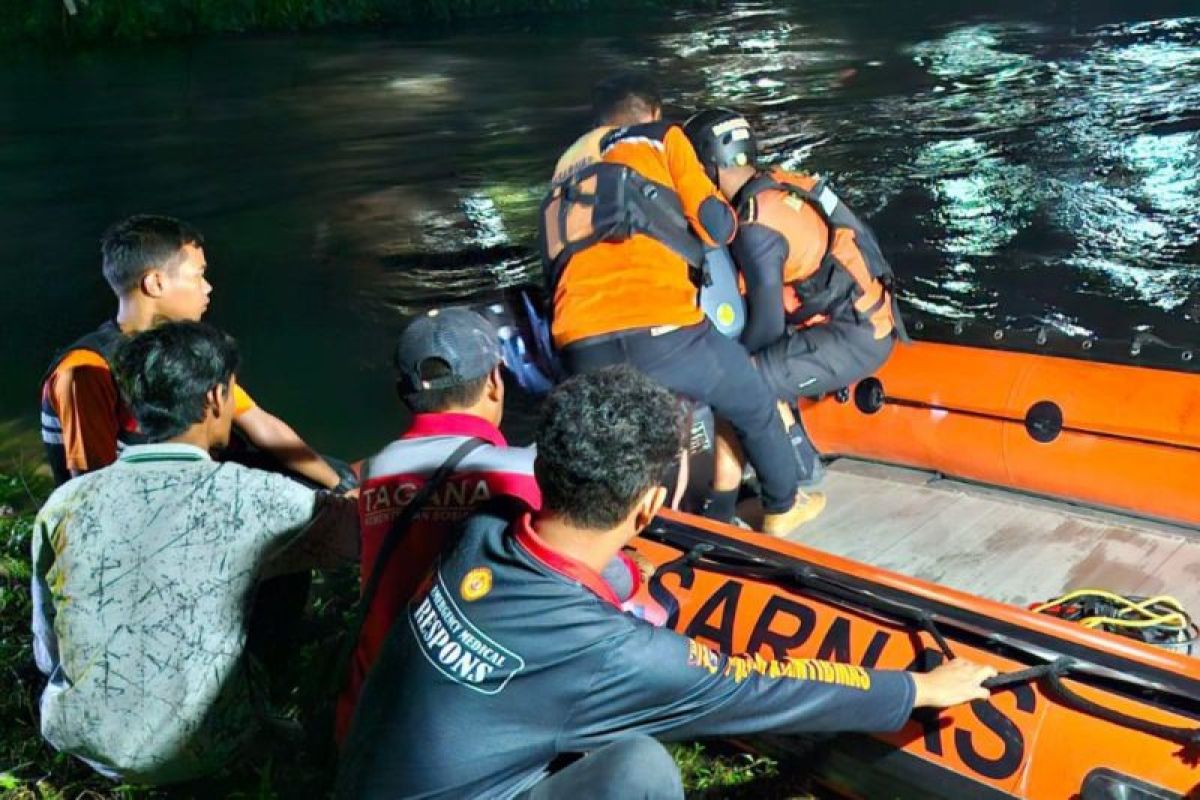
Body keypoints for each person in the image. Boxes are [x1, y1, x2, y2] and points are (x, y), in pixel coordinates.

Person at [336, 365, 997, 799]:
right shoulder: (611, 653)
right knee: (641, 770)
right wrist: (915, 687)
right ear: (649, 507)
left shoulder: (479, 535)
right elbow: (761, 686)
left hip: (364, 777)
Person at [31, 322, 359, 785]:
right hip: (203, 745)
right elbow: (361, 539)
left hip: (81, 738)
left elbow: (48, 649)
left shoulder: (64, 503)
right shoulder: (259, 495)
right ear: (214, 400)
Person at [336, 306, 649, 740]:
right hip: (479, 720)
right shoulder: (523, 470)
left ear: (402, 393)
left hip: (372, 716)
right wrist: (633, 571)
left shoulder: (372, 472)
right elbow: (599, 575)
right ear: (495, 383)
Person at [539, 73, 822, 536]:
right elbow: (715, 225)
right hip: (663, 330)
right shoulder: (659, 138)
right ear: (650, 113)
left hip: (579, 342)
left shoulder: (567, 166)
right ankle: (782, 505)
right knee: (751, 397)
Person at [684, 108, 906, 504]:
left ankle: (797, 472)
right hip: (857, 320)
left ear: (708, 166)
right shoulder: (772, 187)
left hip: (853, 336)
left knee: (741, 380)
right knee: (749, 367)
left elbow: (767, 328)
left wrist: (717, 366)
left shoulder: (756, 228)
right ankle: (772, 455)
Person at [39, 214, 344, 491]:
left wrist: (340, 485)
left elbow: (260, 424)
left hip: (181, 482)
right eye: (198, 275)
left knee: (328, 473)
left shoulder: (175, 353)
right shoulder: (87, 369)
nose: (208, 288)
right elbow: (92, 483)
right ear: (155, 282)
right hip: (144, 503)